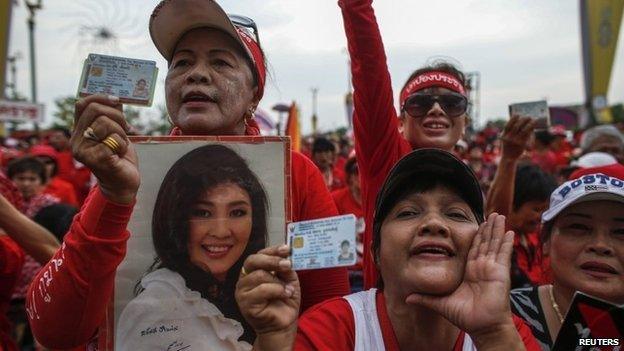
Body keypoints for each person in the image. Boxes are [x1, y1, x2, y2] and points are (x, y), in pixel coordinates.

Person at [27, 1, 349, 349]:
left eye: (220, 62)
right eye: (182, 62)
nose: (197, 73)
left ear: (254, 94)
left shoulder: (298, 173)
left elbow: (329, 308)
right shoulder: (126, 167)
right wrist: (111, 194)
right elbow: (54, 331)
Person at [236, 149, 541, 350]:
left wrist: (493, 335)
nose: (433, 223)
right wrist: (273, 341)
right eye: (408, 213)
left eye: (456, 214)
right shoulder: (332, 330)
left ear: (482, 241)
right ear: (375, 254)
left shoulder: (508, 332)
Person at [338, 0, 471, 288]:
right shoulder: (388, 161)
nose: (436, 110)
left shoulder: (469, 180)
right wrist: (356, 7)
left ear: (465, 122)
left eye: (452, 103)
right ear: (400, 121)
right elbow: (370, 75)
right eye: (420, 103)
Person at [116, 144, 266, 350]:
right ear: (175, 219)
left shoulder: (260, 294)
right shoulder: (154, 311)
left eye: (237, 213)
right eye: (203, 213)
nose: (221, 231)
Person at [511, 173, 624, 350]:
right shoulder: (502, 313)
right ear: (545, 241)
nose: (600, 245)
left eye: (621, 232)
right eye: (578, 227)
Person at [487, 117, 557, 288]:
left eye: (545, 209)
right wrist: (509, 158)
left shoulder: (539, 237)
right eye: (535, 209)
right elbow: (497, 211)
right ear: (513, 203)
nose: (541, 216)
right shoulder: (501, 237)